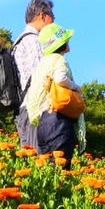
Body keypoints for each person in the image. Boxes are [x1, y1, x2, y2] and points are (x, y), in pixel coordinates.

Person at [22, 22, 83, 159]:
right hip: (58, 120)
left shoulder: (43, 62)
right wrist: (75, 87)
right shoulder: (59, 59)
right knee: (61, 167)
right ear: (61, 43)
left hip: (42, 123)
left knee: (48, 167)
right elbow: (60, 78)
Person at [13, 0, 54, 148]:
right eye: (52, 17)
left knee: (29, 158)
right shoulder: (33, 40)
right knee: (39, 159)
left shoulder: (19, 41)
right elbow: (42, 77)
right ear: (42, 16)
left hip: (24, 109)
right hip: (35, 109)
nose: (53, 22)